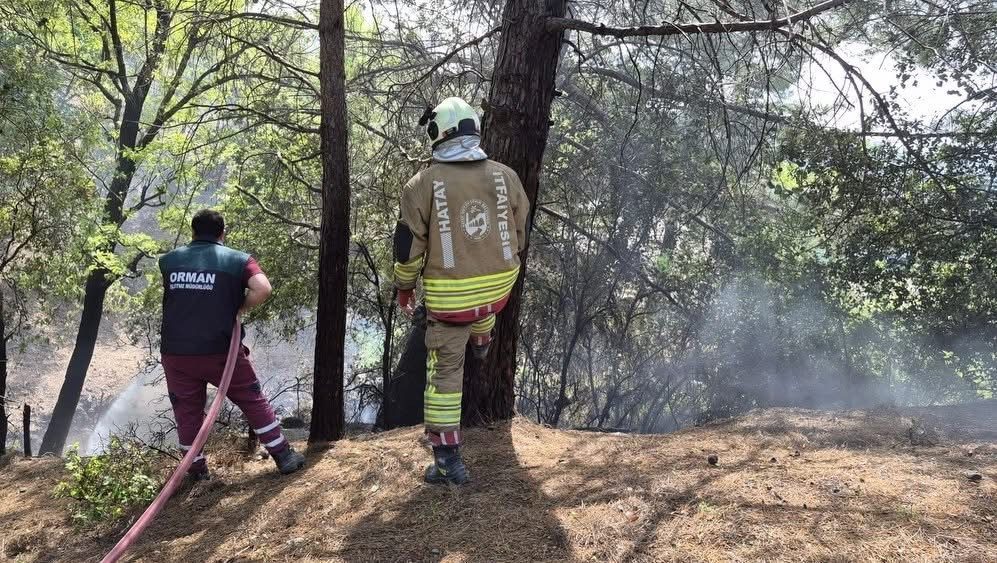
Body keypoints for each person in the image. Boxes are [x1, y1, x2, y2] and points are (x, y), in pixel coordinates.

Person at [393, 97, 529, 485]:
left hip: (452, 299)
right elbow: (520, 230)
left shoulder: (421, 185)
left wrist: (405, 287)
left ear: (437, 132)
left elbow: (408, 248)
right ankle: (482, 337)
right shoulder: (507, 176)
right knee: (481, 306)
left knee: (444, 373)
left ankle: (447, 458)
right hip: (498, 286)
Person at [159, 209, 305, 480]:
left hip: (176, 352)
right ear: (222, 233)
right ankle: (284, 456)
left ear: (193, 232)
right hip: (220, 350)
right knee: (251, 398)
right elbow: (263, 288)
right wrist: (239, 307)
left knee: (187, 411)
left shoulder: (169, 261)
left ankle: (197, 473)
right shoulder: (238, 260)